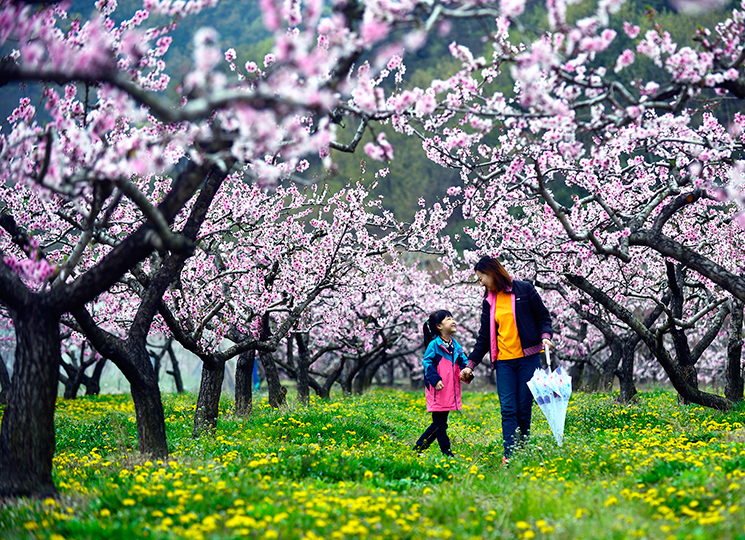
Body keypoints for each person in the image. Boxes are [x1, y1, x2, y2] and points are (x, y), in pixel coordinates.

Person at [460, 256, 553, 464]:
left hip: (528, 359)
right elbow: (484, 337)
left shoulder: (524, 290)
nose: (480, 282)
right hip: (504, 363)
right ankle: (510, 455)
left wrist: (546, 338)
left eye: (481, 277)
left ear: (492, 272)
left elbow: (543, 318)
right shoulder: (489, 301)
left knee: (523, 407)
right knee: (508, 408)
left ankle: (522, 450)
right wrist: (470, 365)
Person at [413, 310, 470, 457]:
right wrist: (435, 380)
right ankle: (447, 453)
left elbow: (464, 362)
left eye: (452, 318)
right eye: (448, 319)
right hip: (438, 391)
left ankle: (418, 449)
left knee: (438, 424)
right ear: (439, 326)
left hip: (450, 390)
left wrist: (467, 372)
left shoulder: (455, 346)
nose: (453, 321)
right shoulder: (434, 345)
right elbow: (427, 363)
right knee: (440, 425)